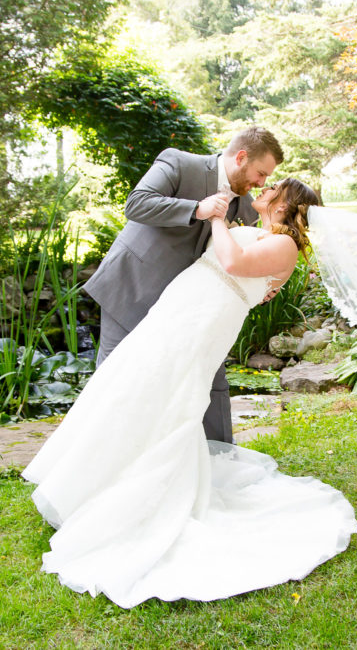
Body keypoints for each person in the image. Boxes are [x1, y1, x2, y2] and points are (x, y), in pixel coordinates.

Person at [23, 179, 357, 608]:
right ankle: (93, 484)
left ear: (285, 202)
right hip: (184, 306)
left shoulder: (286, 246)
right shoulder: (262, 233)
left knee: (167, 397)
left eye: (274, 186)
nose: (265, 186)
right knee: (134, 388)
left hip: (203, 320)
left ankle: (141, 500)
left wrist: (217, 217)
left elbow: (233, 262)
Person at [84, 127, 284, 445]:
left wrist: (264, 284)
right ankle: (97, 460)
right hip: (132, 289)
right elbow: (136, 203)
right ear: (242, 157)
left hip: (189, 309)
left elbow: (238, 256)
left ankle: (218, 460)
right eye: (261, 173)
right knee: (115, 381)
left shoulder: (247, 207)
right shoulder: (179, 163)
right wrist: (196, 210)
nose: (261, 183)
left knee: (211, 377)